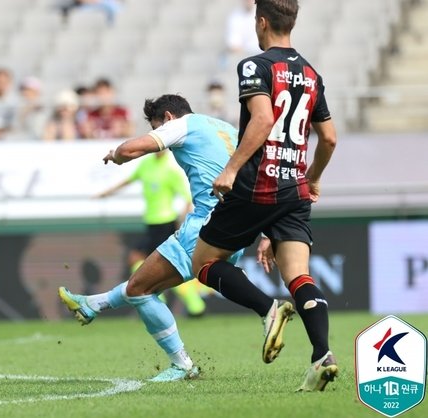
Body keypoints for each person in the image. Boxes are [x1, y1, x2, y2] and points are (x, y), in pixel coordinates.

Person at [59, 94, 294, 381]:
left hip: (207, 224)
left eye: (157, 126)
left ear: (168, 117)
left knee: (140, 290)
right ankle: (92, 304)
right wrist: (269, 230)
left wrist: (117, 155)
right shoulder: (225, 129)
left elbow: (134, 148)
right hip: (242, 222)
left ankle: (184, 362)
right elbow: (260, 177)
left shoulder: (182, 124)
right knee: (144, 284)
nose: (160, 134)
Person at [191, 0, 339, 392]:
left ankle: (267, 309)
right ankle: (322, 354)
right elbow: (328, 138)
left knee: (204, 262)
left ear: (260, 23)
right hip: (294, 189)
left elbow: (263, 118)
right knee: (299, 276)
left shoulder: (255, 65)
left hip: (257, 185)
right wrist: (313, 177)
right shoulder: (312, 74)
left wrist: (231, 168)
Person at [96, 150, 207, 317]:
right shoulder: (146, 164)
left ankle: (189, 304)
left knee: (155, 264)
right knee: (149, 263)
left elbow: (187, 198)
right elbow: (129, 180)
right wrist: (107, 192)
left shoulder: (170, 169)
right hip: (151, 223)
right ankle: (184, 303)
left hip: (165, 223)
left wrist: (184, 220)